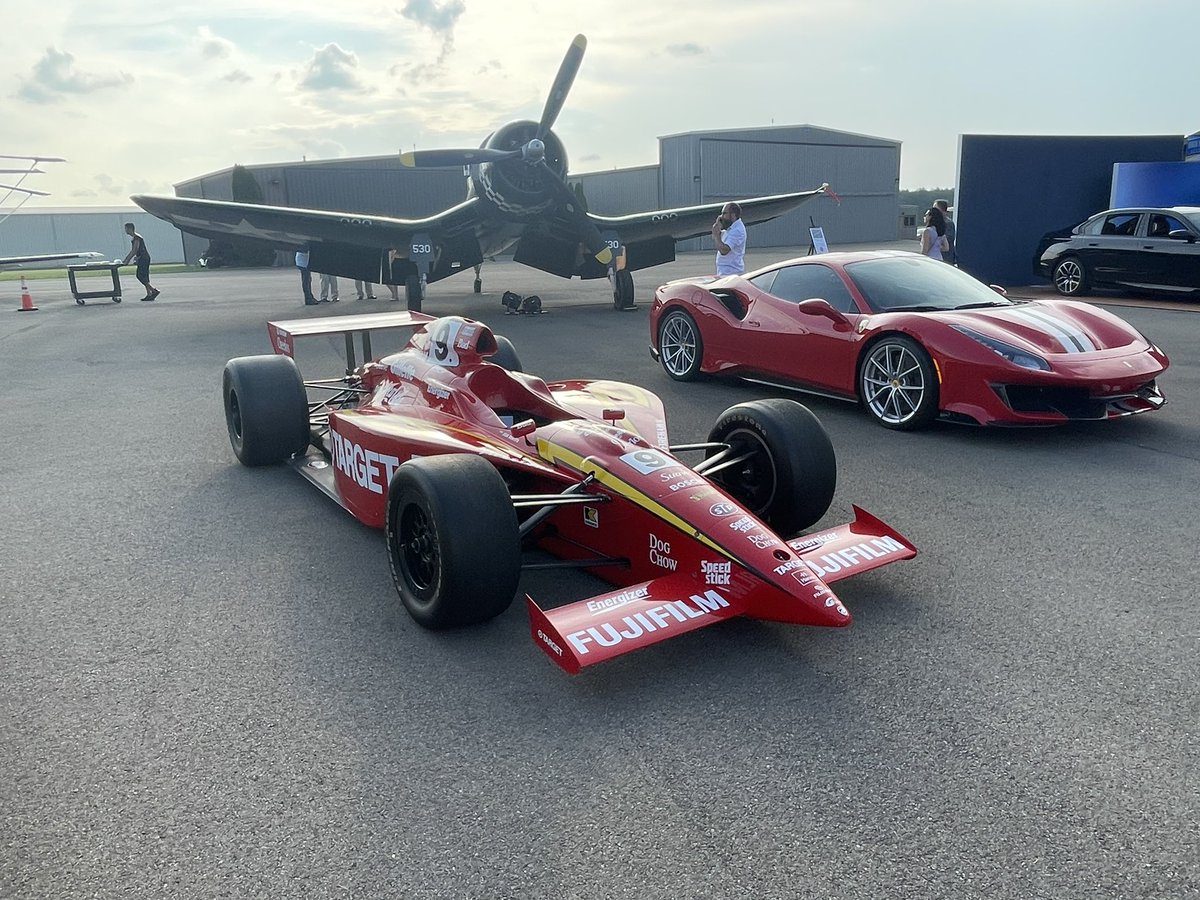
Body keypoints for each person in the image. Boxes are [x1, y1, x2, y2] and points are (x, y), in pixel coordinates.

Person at [121, 222, 159, 301]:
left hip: (143, 258)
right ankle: (149, 294)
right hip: (143, 258)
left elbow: (135, 250)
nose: (125, 230)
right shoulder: (136, 237)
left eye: (126, 228)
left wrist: (127, 260)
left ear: (130, 229)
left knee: (140, 275)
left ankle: (153, 290)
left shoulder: (136, 238)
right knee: (144, 276)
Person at [711, 201, 746, 275]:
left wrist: (717, 235)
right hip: (725, 272)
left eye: (724, 213)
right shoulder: (730, 227)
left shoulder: (737, 230)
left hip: (731, 273)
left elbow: (724, 250)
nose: (721, 216)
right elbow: (718, 241)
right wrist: (718, 226)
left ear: (733, 215)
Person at [934, 199, 956, 265]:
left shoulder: (948, 223)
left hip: (945, 258)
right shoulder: (935, 222)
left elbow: (949, 238)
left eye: (935, 208)